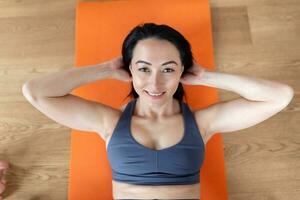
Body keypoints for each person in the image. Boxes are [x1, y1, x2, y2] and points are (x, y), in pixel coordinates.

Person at [8, 22, 291, 199]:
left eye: (168, 69)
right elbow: (34, 92)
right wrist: (105, 69)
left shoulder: (202, 123)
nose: (155, 83)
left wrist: (206, 76)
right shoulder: (110, 122)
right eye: (143, 69)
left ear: (183, 71)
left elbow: (280, 97)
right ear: (129, 69)